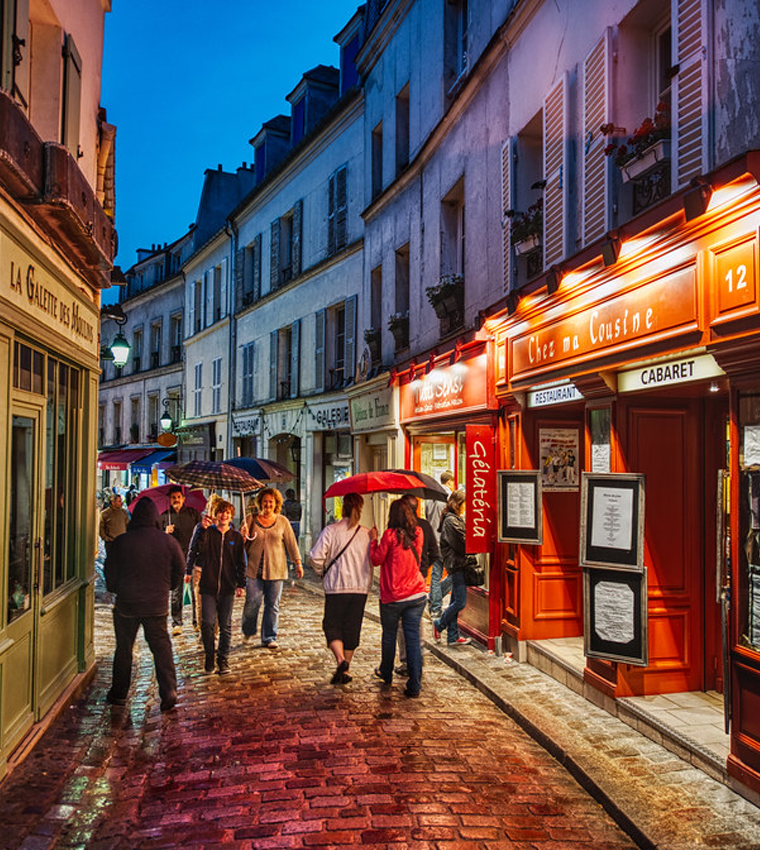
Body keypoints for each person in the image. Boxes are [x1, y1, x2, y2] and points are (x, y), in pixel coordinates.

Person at [104, 499, 185, 711]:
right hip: (156, 605)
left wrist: (116, 588)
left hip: (127, 605)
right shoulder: (167, 542)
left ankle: (119, 693)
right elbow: (180, 567)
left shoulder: (122, 541)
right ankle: (169, 691)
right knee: (161, 648)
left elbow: (109, 572)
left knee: (124, 649)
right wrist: (168, 586)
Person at [309, 492, 372, 685]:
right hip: (360, 587)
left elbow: (315, 557)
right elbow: (373, 559)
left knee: (332, 625)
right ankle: (347, 668)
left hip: (337, 586)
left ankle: (341, 660)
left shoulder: (331, 530)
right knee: (352, 628)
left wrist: (321, 571)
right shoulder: (366, 533)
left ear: (342, 507)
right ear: (360, 510)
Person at [369, 499, 426, 698]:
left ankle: (386, 672)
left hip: (393, 596)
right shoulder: (418, 533)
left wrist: (373, 541)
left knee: (390, 636)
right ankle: (415, 684)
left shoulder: (389, 536)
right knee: (412, 640)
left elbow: (376, 559)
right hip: (417, 594)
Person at [241, 487, 303, 649]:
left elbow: (291, 543)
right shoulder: (250, 519)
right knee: (252, 602)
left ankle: (269, 637)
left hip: (276, 568)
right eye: (265, 501)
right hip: (254, 569)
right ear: (260, 503)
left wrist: (298, 562)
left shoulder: (282, 521)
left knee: (272, 604)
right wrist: (242, 535)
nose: (267, 504)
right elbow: (240, 544)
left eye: (271, 502)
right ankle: (248, 630)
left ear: (276, 504)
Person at [192, 499, 246, 675]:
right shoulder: (208, 533)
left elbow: (240, 562)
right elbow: (198, 550)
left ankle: (223, 659)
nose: (224, 515)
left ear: (231, 516)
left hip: (227, 587)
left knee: (226, 625)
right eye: (221, 512)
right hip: (208, 585)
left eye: (228, 513)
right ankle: (209, 656)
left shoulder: (236, 537)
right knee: (207, 623)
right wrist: (202, 529)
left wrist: (241, 584)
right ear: (216, 514)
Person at [395, 493, 439, 676]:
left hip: (401, 583)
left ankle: (407, 661)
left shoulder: (397, 529)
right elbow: (434, 553)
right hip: (418, 582)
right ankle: (417, 659)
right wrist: (423, 570)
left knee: (401, 626)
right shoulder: (425, 526)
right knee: (416, 623)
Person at [161, 485, 202, 636]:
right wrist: (165, 532)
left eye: (178, 497)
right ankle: (177, 623)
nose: (176, 500)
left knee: (195, 591)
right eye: (173, 498)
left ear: (183, 499)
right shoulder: (164, 517)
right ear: (169, 500)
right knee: (176, 593)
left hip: (193, 558)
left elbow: (202, 533)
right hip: (174, 560)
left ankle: (197, 622)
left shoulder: (193, 514)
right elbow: (157, 538)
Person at [433, 490, 471, 646]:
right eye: (464, 504)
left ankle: (453, 636)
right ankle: (439, 624)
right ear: (458, 504)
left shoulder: (453, 518)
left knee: (454, 600)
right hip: (456, 565)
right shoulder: (451, 521)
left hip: (458, 564)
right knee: (460, 602)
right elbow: (461, 543)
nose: (465, 507)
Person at [425, 470, 456, 618]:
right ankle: (435, 604)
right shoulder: (449, 497)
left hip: (433, 540)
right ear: (449, 481)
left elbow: (427, 516)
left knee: (436, 574)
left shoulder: (429, 497)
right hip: (446, 540)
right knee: (455, 574)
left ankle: (433, 601)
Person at [99, 494, 130, 558]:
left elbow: (128, 525)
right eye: (119, 501)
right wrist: (105, 538)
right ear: (113, 502)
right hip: (111, 542)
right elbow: (101, 527)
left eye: (121, 501)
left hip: (122, 542)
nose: (121, 503)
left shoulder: (123, 512)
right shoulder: (105, 513)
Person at [282, 488, 303, 583]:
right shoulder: (298, 504)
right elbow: (300, 514)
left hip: (288, 522)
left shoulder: (285, 504)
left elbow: (284, 514)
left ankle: (288, 561)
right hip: (296, 523)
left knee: (287, 543)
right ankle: (294, 562)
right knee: (295, 543)